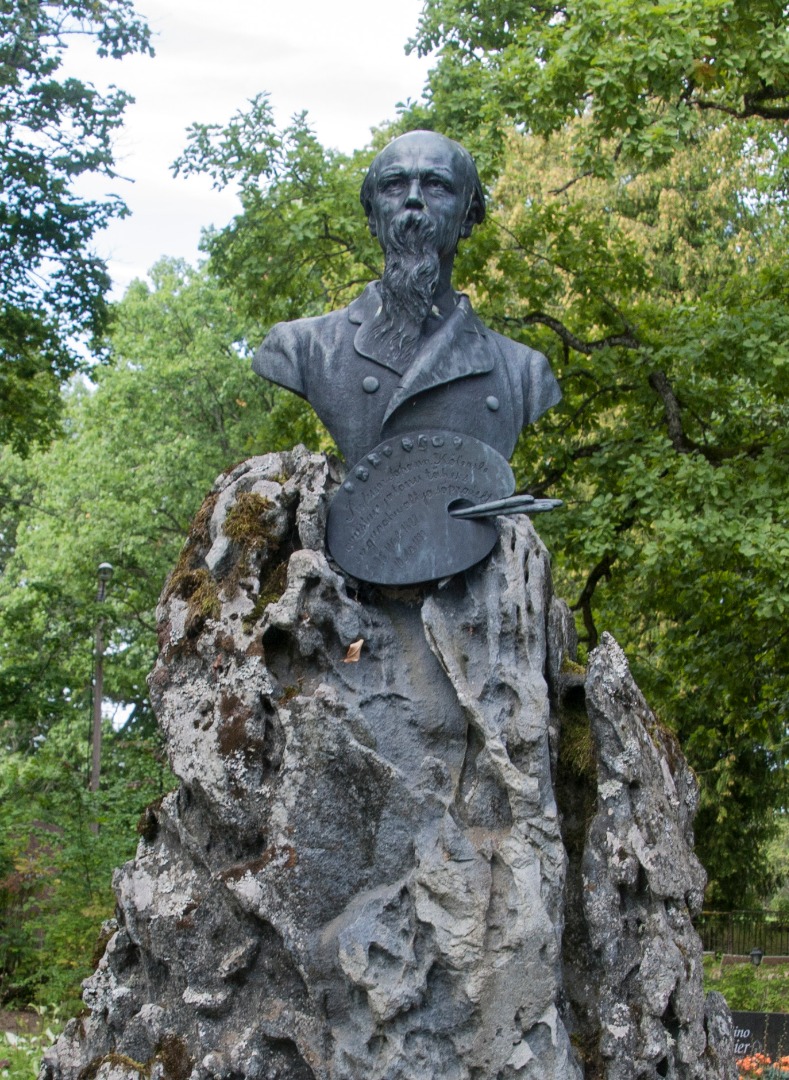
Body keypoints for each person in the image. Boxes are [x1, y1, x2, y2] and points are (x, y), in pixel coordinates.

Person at [253, 130, 561, 466]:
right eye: (394, 185)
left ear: (468, 216)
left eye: (437, 185)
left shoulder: (523, 373)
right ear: (372, 215)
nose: (414, 199)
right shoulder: (304, 348)